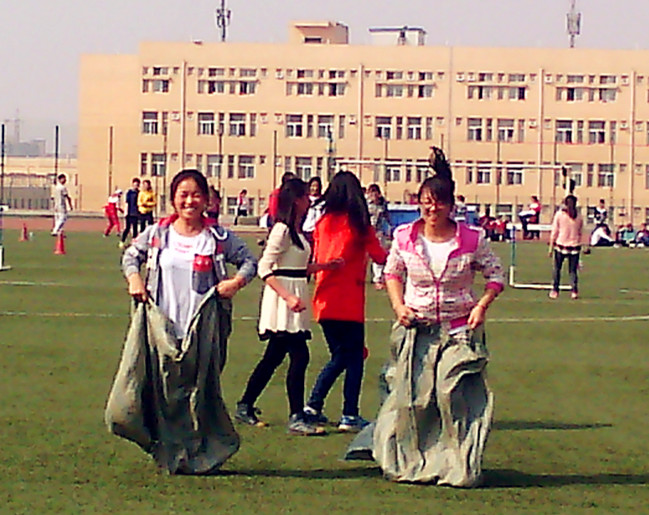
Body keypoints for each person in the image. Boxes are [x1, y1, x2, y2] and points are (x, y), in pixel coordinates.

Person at [349, 147, 504, 487]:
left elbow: (495, 274)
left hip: (458, 328)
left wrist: (481, 306)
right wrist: (399, 307)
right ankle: (411, 460)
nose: (432, 209)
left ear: (451, 206)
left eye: (439, 203)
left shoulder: (472, 239)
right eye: (426, 202)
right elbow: (391, 272)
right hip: (416, 327)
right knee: (415, 400)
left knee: (451, 393)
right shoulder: (405, 237)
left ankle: (458, 466)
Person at [109, 169, 257, 474]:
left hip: (202, 329)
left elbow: (249, 261)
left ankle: (203, 452)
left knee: (198, 393)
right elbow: (130, 257)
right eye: (183, 195)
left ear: (206, 200)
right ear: (173, 199)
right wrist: (134, 279)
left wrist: (235, 283)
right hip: (161, 327)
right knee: (160, 391)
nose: (190, 201)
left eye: (196, 195)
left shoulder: (217, 237)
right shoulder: (157, 234)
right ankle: (166, 449)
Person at [236, 178, 342, 435]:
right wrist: (287, 297)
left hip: (294, 294)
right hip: (283, 301)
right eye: (305, 196)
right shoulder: (282, 230)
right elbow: (264, 267)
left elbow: (297, 267)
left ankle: (245, 404)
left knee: (274, 356)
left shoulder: (296, 230)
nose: (309, 200)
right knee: (299, 355)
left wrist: (326, 267)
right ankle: (296, 416)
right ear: (296, 200)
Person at [302, 171, 388, 433]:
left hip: (323, 298)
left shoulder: (323, 222)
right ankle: (342, 412)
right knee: (350, 356)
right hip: (348, 300)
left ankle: (317, 407)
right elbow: (380, 256)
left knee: (345, 356)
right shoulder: (359, 224)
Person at [549, 195, 584, 299]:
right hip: (574, 247)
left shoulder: (560, 215)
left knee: (557, 269)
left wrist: (551, 246)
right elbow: (580, 233)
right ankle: (574, 291)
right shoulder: (579, 216)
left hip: (561, 245)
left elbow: (555, 231)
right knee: (572, 271)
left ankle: (555, 290)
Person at [366, 183, 391, 290]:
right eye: (371, 192)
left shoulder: (382, 204)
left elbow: (386, 216)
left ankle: (378, 278)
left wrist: (389, 228)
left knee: (378, 255)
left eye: (375, 192)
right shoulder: (365, 204)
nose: (373, 195)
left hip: (378, 232)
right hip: (366, 231)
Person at [120, 178, 141, 248]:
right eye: (134, 185)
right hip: (129, 213)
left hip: (136, 213)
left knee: (135, 229)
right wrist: (125, 212)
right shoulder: (129, 192)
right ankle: (122, 241)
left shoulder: (139, 193)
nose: (136, 186)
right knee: (127, 228)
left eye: (137, 185)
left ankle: (134, 243)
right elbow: (127, 202)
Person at [302, 176, 323, 245]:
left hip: (318, 232)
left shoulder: (323, 202)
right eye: (313, 186)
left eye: (317, 186)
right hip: (306, 231)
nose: (315, 188)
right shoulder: (305, 201)